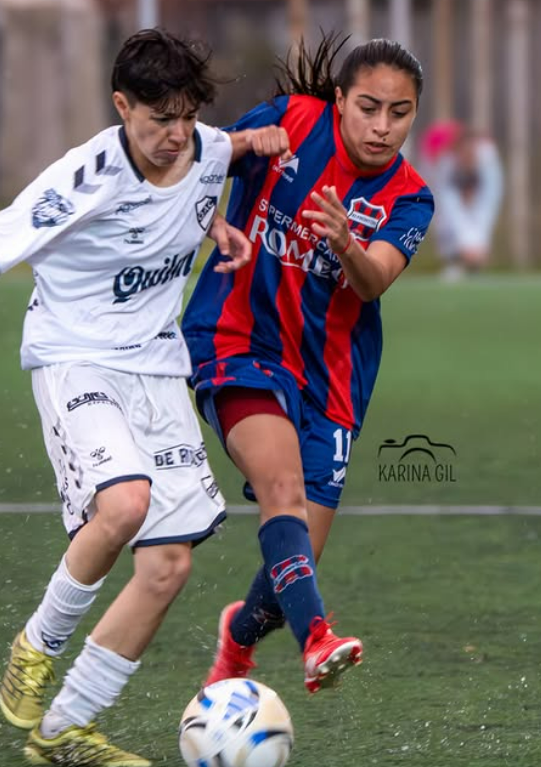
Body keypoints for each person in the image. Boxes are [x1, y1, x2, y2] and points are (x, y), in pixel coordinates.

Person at [0, 28, 290, 767]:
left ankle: (65, 731)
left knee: (169, 566)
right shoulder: (85, 175)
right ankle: (36, 647)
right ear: (120, 106)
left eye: (185, 117)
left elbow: (218, 159)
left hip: (156, 367)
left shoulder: (202, 145)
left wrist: (224, 213)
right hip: (75, 358)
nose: (176, 137)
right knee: (124, 505)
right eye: (157, 121)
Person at [182, 34, 434, 695]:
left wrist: (349, 244)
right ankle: (317, 637)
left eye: (400, 112)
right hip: (236, 343)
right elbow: (196, 168)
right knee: (283, 496)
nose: (383, 127)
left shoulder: (410, 197)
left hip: (331, 377)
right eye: (369, 107)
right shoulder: (291, 121)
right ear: (340, 100)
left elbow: (374, 281)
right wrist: (234, 159)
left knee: (297, 555)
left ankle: (238, 638)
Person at [424, 124, 503, 280]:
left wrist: (477, 241)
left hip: (480, 195)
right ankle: (456, 259)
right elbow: (447, 199)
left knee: (478, 225)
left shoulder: (488, 160)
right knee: (450, 219)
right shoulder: (446, 164)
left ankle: (473, 259)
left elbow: (489, 199)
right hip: (453, 195)